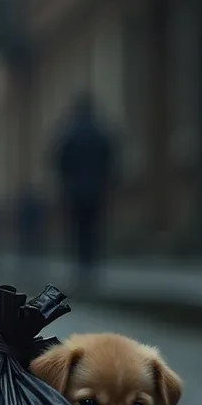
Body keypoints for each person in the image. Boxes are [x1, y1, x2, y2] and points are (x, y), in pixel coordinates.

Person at [53, 93, 116, 283]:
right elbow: (110, 159)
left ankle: (80, 263)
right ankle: (92, 262)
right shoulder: (100, 133)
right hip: (96, 189)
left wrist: (64, 183)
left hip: (74, 190)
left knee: (78, 228)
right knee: (94, 227)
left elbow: (59, 161)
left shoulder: (69, 134)